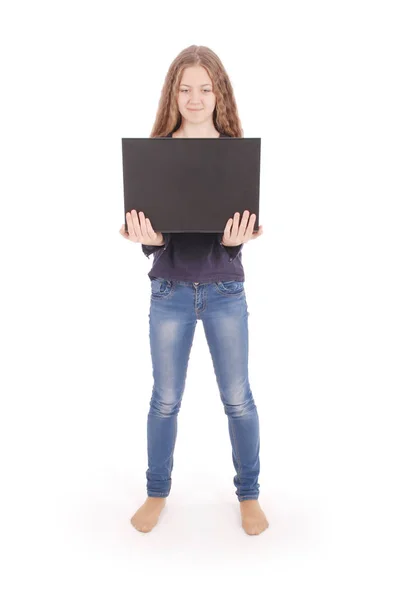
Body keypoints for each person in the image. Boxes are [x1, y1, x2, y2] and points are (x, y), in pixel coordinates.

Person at [119, 45, 268, 536]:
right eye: (185, 88)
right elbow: (157, 238)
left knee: (237, 398)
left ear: (219, 92)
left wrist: (235, 242)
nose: (195, 97)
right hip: (170, 291)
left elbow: (235, 240)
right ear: (173, 94)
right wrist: (149, 239)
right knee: (164, 399)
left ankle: (249, 494)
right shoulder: (157, 152)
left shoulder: (234, 152)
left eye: (205, 88)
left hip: (225, 290)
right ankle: (156, 491)